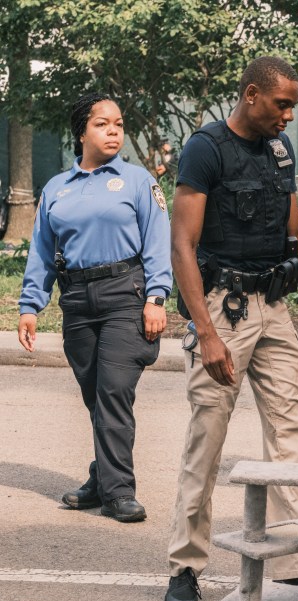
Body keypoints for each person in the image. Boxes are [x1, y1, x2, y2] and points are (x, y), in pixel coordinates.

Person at [164, 56, 298, 601]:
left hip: (274, 305)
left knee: (291, 432)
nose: (289, 114)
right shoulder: (205, 149)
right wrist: (205, 332)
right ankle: (186, 564)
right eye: (282, 104)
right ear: (252, 95)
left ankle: (293, 564)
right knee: (207, 436)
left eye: (293, 105)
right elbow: (182, 246)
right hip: (224, 308)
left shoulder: (280, 151)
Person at [18, 92, 170, 524]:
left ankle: (118, 492)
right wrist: (31, 304)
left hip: (127, 295)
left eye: (119, 123)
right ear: (81, 132)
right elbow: (42, 253)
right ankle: (101, 476)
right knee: (95, 397)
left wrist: (157, 297)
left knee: (113, 393)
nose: (114, 131)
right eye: (103, 124)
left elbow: (158, 242)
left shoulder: (139, 181)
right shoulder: (56, 189)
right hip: (77, 302)